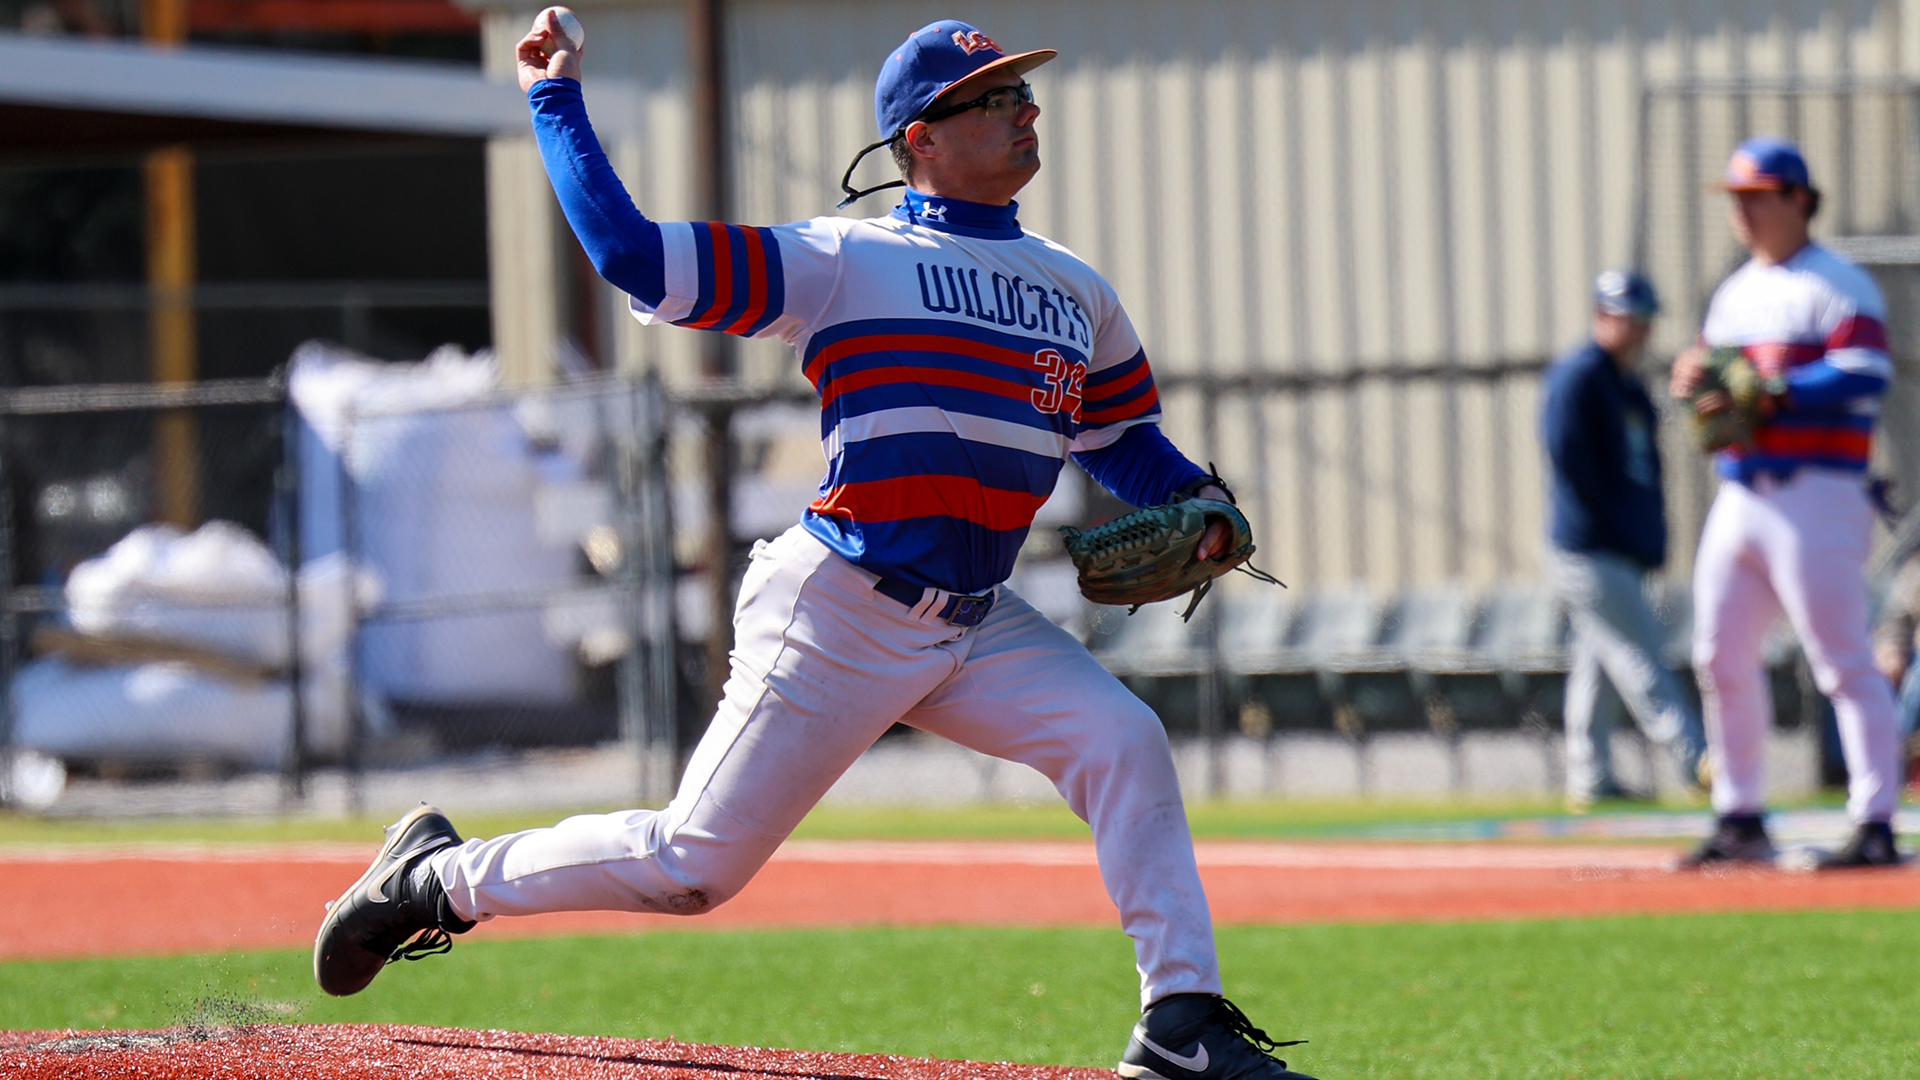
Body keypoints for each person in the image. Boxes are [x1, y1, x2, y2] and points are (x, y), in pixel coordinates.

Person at [314, 16, 1322, 1080]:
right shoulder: (847, 259)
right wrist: (553, 99)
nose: (1025, 109)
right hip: (841, 606)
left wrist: (1202, 503)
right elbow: (635, 259)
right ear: (919, 137)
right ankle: (436, 880)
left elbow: (1123, 442)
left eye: (1022, 91)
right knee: (691, 868)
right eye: (993, 97)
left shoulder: (1076, 290)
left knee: (1124, 741)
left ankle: (1180, 1027)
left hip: (975, 625)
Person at [1670, 136, 1905, 868]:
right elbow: (1715, 372)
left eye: (1757, 195)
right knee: (1719, 655)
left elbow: (1866, 371)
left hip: (1819, 489)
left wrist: (1777, 389)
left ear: (1799, 198)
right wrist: (1696, 383)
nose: (1742, 210)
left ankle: (1875, 821)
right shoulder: (1735, 291)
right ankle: (1739, 813)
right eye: (1737, 198)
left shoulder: (1838, 284)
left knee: (1841, 661)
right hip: (1742, 490)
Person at [1539, 270, 1708, 811]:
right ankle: (1698, 762)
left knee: (1597, 663)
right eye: (1630, 318)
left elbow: (1647, 471)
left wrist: (1648, 537)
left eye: (1644, 320)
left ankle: (1589, 778)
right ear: (1604, 315)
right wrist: (1617, 527)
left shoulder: (1628, 385)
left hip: (1621, 548)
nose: (1640, 331)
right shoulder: (1579, 375)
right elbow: (1570, 459)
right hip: (1589, 548)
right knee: (1641, 657)